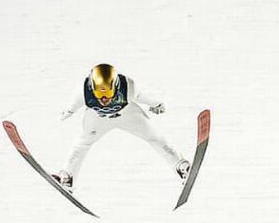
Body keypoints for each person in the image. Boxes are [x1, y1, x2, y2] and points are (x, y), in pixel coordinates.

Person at [52, 63, 190, 192]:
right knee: (82, 144)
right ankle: (67, 177)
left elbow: (140, 96)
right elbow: (72, 107)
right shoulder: (83, 91)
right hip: (98, 118)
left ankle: (182, 166)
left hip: (127, 115)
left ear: (116, 86)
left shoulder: (128, 86)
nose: (104, 99)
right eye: (99, 94)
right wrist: (63, 115)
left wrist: (156, 104)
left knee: (154, 137)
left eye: (107, 94)